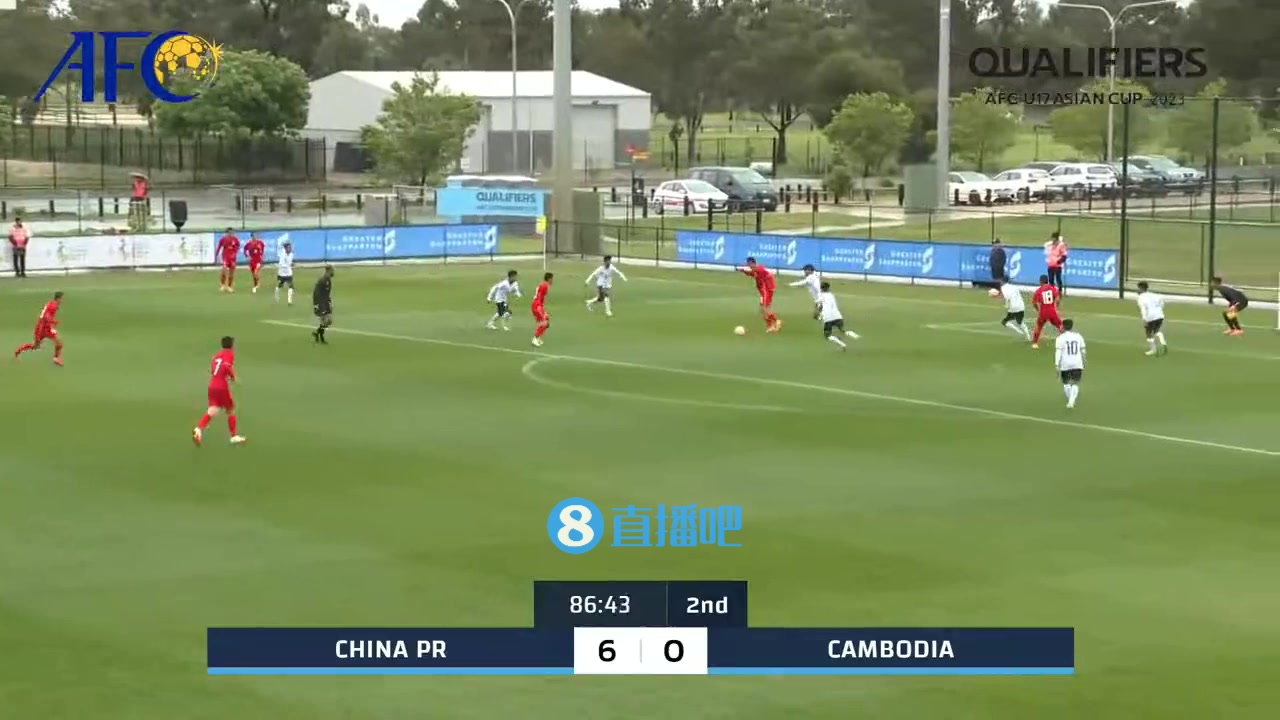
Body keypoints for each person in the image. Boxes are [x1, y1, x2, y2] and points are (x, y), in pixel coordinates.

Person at [193, 336, 246, 446]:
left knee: (213, 410)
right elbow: (227, 366)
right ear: (232, 345)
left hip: (212, 385)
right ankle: (234, 436)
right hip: (221, 387)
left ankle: (198, 429)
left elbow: (212, 370)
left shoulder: (217, 355)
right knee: (230, 409)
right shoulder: (229, 354)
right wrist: (233, 377)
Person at [13, 291, 64, 365]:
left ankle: (56, 358)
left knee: (59, 344)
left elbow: (46, 315)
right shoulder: (53, 306)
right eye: (61, 299)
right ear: (58, 299)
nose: (62, 300)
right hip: (41, 328)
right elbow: (46, 316)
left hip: (47, 327)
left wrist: (52, 322)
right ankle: (17, 352)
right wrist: (53, 321)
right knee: (35, 346)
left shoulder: (51, 303)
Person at [739, 256, 781, 332]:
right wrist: (744, 271)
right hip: (764, 290)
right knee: (764, 309)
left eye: (748, 263)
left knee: (764, 308)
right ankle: (771, 325)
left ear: (752, 263)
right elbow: (753, 273)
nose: (747, 265)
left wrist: (745, 270)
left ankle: (774, 322)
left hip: (766, 290)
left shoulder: (759, 268)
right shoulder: (756, 269)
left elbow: (755, 272)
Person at [816, 281, 860, 350]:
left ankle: (842, 344)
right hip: (837, 315)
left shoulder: (821, 295)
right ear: (828, 288)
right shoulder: (831, 295)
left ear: (821, 288)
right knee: (842, 330)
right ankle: (856, 336)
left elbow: (819, 305)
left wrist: (818, 315)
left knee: (827, 335)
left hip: (828, 317)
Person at [1054, 319, 1086, 409]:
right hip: (1077, 363)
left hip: (1065, 364)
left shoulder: (1060, 338)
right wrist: (1084, 360)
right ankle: (1071, 401)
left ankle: (1070, 401)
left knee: (1066, 384)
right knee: (1075, 383)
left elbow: (1058, 352)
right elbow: (1083, 350)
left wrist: (1056, 365)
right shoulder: (1078, 336)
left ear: (1063, 327)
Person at [1031, 274, 1063, 348]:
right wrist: (1056, 307)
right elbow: (1058, 299)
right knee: (1060, 325)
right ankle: (1066, 339)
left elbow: (1034, 303)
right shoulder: (1053, 288)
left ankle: (1035, 343)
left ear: (1041, 281)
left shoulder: (1038, 290)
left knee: (1039, 326)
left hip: (1043, 312)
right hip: (1052, 311)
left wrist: (1038, 310)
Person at [1135, 281, 1168, 355]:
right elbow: (1162, 303)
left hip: (1150, 317)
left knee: (1148, 333)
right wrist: (1158, 310)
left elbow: (1143, 309)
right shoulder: (1154, 295)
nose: (1137, 290)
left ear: (1141, 288)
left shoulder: (1141, 298)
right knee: (1156, 331)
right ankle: (1163, 343)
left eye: (1138, 288)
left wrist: (1144, 319)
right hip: (1160, 315)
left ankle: (1153, 349)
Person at [312, 265, 335, 344]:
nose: (333, 272)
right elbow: (316, 293)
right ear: (328, 271)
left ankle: (317, 332)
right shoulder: (323, 280)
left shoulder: (328, 280)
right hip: (320, 302)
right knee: (325, 320)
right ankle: (321, 337)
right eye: (332, 270)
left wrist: (329, 302)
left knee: (329, 321)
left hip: (325, 301)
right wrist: (317, 304)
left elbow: (327, 293)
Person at [532, 272, 553, 347]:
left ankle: (538, 338)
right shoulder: (545, 286)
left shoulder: (543, 285)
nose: (552, 281)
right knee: (544, 322)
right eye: (552, 279)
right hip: (537, 305)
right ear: (549, 279)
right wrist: (539, 307)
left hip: (538, 305)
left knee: (546, 321)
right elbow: (539, 296)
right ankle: (535, 339)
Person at [216, 228, 241, 293]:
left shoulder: (235, 239)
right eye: (229, 232)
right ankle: (223, 285)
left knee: (231, 272)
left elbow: (238, 245)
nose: (231, 234)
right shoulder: (223, 239)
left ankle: (229, 286)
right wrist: (217, 254)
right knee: (224, 270)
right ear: (227, 233)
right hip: (225, 257)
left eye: (232, 232)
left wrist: (235, 251)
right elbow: (219, 246)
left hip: (232, 258)